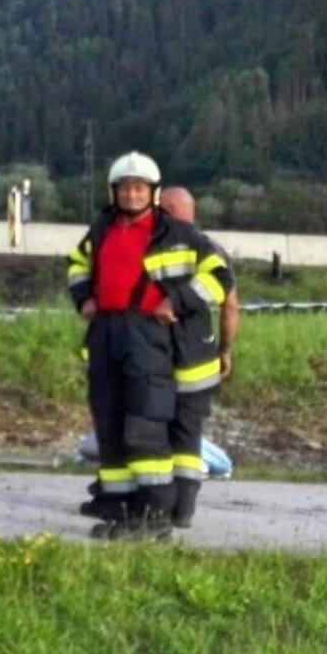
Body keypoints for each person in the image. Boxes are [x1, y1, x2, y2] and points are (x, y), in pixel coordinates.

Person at [66, 152, 231, 540]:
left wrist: (176, 301)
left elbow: (218, 276)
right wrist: (84, 297)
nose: (132, 194)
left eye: (140, 188)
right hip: (106, 331)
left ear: (152, 193)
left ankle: (155, 516)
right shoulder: (102, 228)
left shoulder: (176, 233)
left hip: (147, 336)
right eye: (125, 188)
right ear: (114, 192)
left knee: (144, 425)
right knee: (111, 425)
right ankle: (123, 512)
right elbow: (77, 263)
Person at [156, 185, 239, 529]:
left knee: (156, 430)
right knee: (188, 434)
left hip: (158, 356)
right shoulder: (211, 249)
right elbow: (230, 305)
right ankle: (184, 509)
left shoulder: (152, 246)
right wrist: (224, 349)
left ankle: (156, 505)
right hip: (201, 356)